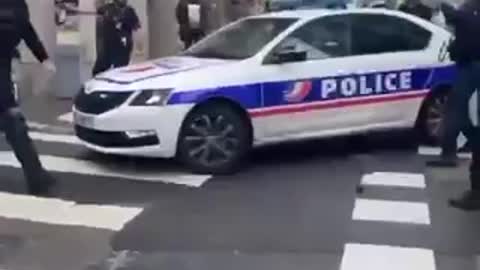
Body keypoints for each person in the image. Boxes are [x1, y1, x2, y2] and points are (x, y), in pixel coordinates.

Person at [0, 0, 57, 196]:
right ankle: (36, 177)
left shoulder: (17, 7)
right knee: (15, 126)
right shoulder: (17, 8)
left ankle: (37, 174)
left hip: (3, 70)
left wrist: (44, 58)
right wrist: (44, 59)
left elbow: (26, 30)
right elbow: (26, 30)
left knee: (15, 127)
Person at [432, 0, 480, 210]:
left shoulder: (468, 11)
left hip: (471, 69)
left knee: (465, 119)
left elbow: (464, 41)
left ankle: (476, 193)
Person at [92, 0, 140, 76]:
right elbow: (99, 17)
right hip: (108, 48)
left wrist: (124, 21)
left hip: (122, 48)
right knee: (98, 72)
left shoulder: (129, 11)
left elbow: (136, 26)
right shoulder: (106, 9)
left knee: (121, 73)